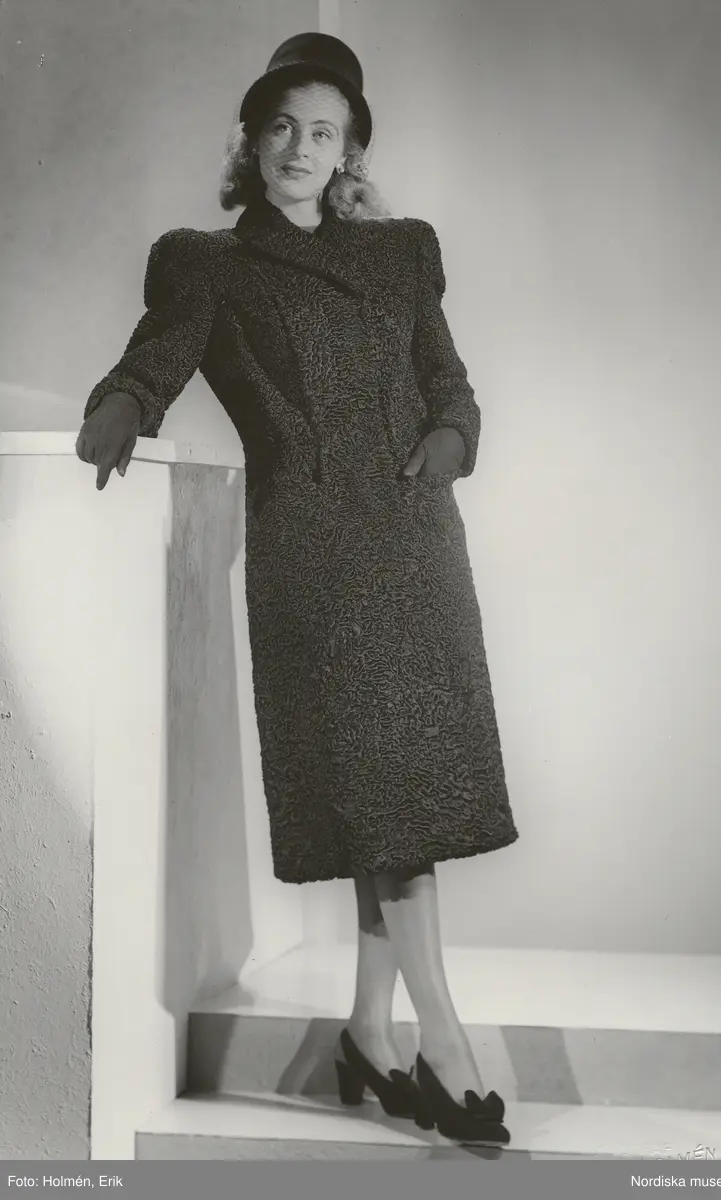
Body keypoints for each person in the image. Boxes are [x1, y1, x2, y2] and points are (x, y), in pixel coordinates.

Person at [76, 33, 519, 1145]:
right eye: (280, 126)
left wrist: (450, 439)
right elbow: (161, 350)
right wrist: (125, 402)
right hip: (312, 548)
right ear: (251, 140)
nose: (299, 147)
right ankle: (443, 1040)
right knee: (388, 795)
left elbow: (447, 378)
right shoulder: (207, 261)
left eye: (322, 131)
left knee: (393, 801)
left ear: (348, 150)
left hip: (414, 539)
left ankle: (369, 1033)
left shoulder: (404, 252)